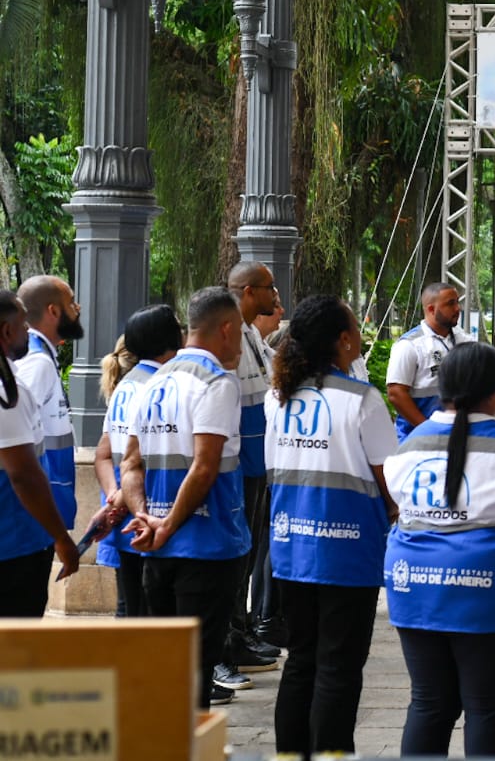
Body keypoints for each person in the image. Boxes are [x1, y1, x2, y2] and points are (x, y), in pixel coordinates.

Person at [385, 343, 495, 757]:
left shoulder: (409, 446)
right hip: (491, 595)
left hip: (415, 590)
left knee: (429, 704)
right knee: (488, 712)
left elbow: (396, 493)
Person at [265, 295, 400, 759]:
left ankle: (289, 754)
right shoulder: (363, 400)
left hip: (290, 546)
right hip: (348, 551)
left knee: (300, 660)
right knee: (339, 665)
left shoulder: (277, 397)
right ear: (344, 340)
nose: (361, 335)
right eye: (355, 328)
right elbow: (390, 479)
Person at [120, 287, 251, 708]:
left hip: (156, 551)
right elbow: (205, 465)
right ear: (227, 330)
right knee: (196, 672)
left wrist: (144, 518)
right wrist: (170, 523)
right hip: (206, 545)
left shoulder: (153, 381)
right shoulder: (217, 382)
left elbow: (130, 464)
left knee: (168, 669)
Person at [93, 306, 184, 618]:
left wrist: (114, 497)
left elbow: (104, 454)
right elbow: (138, 459)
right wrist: (120, 498)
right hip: (146, 517)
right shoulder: (155, 388)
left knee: (131, 613)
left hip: (126, 517)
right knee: (148, 620)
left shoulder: (125, 387)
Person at [223, 262, 284, 687]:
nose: (275, 294)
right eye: (268, 287)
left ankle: (240, 633)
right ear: (248, 292)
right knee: (233, 559)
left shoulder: (251, 334)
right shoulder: (227, 331)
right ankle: (225, 645)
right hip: (237, 462)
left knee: (245, 554)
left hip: (256, 460)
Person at [0, 290, 78, 617]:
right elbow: (23, 474)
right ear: (6, 331)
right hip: (15, 544)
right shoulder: (7, 391)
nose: (28, 333)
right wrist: (61, 536)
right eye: (23, 326)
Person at [15, 275, 82, 533]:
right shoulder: (36, 362)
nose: (78, 309)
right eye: (72, 302)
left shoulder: (40, 356)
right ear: (53, 311)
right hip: (34, 519)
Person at [386, 283, 474, 440]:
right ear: (431, 309)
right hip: (415, 437)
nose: (457, 309)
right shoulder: (409, 345)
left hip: (455, 436)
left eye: (457, 302)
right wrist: (429, 430)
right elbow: (395, 393)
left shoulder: (464, 340)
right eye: (450, 303)